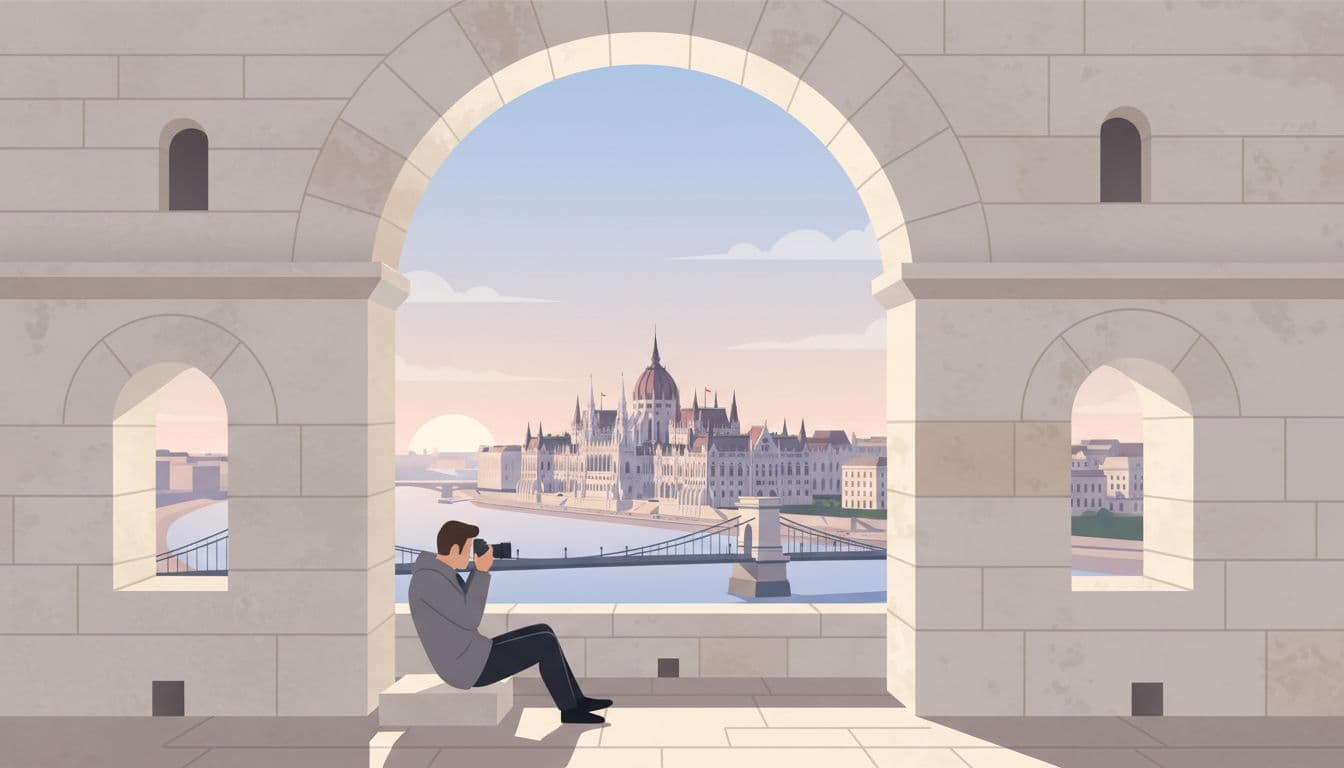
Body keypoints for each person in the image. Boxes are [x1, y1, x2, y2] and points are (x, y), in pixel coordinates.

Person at [408, 520, 612, 724]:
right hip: (467, 668)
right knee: (544, 642)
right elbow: (470, 619)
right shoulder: (430, 580)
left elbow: (463, 612)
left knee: (545, 631)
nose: (471, 555)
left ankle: (577, 701)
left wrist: (478, 572)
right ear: (455, 549)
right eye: (468, 549)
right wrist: (481, 571)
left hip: (473, 654)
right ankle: (570, 710)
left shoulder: (439, 573)